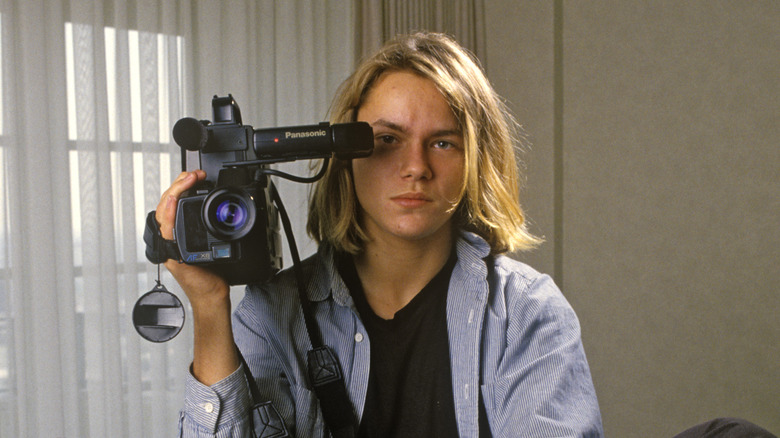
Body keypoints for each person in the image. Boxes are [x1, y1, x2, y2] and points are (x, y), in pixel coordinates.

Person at [156, 32, 604, 437]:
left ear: (474, 162)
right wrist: (210, 307)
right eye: (388, 140)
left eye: (443, 142)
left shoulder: (526, 316)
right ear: (345, 157)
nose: (416, 167)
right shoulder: (273, 314)